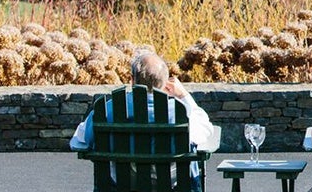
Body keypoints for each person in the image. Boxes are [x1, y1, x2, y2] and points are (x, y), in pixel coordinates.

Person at [70, 50, 216, 182]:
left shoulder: (108, 109)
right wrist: (183, 95)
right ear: (166, 82)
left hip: (122, 185)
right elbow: (206, 131)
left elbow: (83, 139)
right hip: (171, 184)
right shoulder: (180, 112)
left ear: (132, 80)